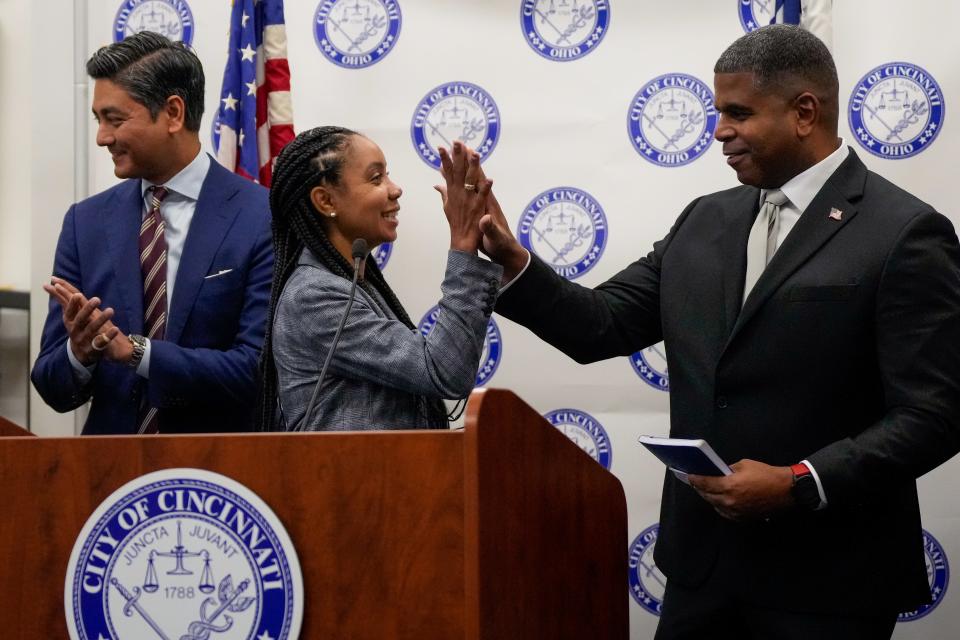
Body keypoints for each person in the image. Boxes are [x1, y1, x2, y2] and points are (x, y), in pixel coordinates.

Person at [479, 25, 960, 639]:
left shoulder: (905, 232)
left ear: (804, 112)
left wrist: (800, 483)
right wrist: (512, 262)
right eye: (717, 112)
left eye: (738, 113)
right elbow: (599, 325)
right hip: (701, 576)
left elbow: (936, 413)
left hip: (829, 583)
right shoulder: (704, 220)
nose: (718, 131)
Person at [32, 32, 273, 435]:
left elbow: (259, 370)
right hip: (110, 483)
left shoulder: (261, 216)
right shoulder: (85, 222)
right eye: (98, 120)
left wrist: (137, 353)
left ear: (173, 113)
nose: (102, 137)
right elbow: (52, 386)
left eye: (115, 119)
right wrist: (79, 352)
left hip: (221, 480)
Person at [257, 127, 502, 431]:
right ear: (326, 201)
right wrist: (464, 244)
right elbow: (444, 369)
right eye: (376, 179)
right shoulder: (314, 296)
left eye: (388, 175)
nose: (395, 189)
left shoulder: (353, 285)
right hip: (354, 478)